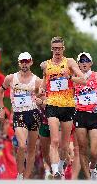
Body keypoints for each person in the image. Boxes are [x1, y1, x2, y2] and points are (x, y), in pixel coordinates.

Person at [40, 36, 86, 179]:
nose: (57, 51)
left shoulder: (70, 62)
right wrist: (41, 92)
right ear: (51, 49)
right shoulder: (45, 65)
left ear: (63, 49)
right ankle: (55, 171)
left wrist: (69, 77)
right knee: (54, 141)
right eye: (55, 48)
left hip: (68, 106)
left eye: (60, 48)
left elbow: (83, 80)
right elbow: (44, 83)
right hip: (52, 104)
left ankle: (60, 167)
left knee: (65, 146)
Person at [0, 52, 42, 179]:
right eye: (22, 61)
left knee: (31, 149)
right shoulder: (11, 78)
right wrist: (1, 109)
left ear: (31, 62)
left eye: (26, 61)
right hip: (19, 114)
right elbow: (0, 92)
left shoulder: (37, 81)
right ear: (19, 63)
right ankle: (20, 174)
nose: (24, 64)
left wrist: (42, 102)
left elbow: (44, 98)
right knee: (22, 145)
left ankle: (26, 178)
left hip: (33, 114)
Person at [74, 52, 97, 179]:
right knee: (82, 149)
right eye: (81, 61)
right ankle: (89, 179)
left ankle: (93, 167)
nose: (84, 63)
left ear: (91, 63)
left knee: (94, 152)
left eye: (86, 60)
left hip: (95, 116)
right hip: (79, 115)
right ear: (78, 64)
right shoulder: (74, 78)